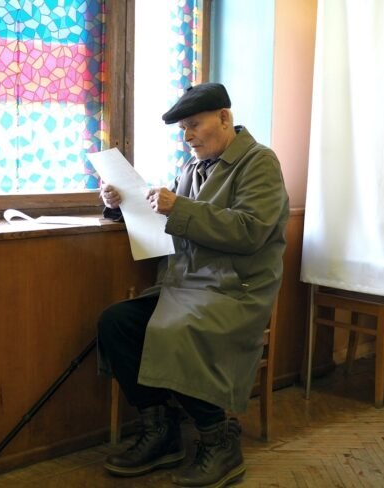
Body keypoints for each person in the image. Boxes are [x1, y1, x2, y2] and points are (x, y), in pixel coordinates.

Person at [97, 82, 289, 487]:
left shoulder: (259, 162)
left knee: (175, 331)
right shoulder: (191, 168)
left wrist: (178, 207)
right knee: (116, 323)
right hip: (185, 287)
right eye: (183, 129)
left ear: (224, 118)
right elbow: (165, 220)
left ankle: (220, 441)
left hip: (235, 292)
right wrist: (121, 204)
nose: (187, 137)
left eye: (194, 125)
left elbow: (251, 231)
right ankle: (161, 430)